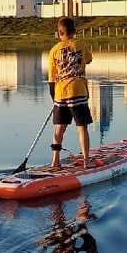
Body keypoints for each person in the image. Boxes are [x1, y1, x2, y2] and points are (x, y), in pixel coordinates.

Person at [47, 17, 95, 170]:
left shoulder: (54, 50)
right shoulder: (81, 44)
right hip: (78, 91)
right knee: (82, 127)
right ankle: (87, 161)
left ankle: (55, 161)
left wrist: (54, 98)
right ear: (74, 32)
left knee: (59, 128)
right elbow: (88, 60)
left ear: (59, 33)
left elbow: (51, 79)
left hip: (60, 93)